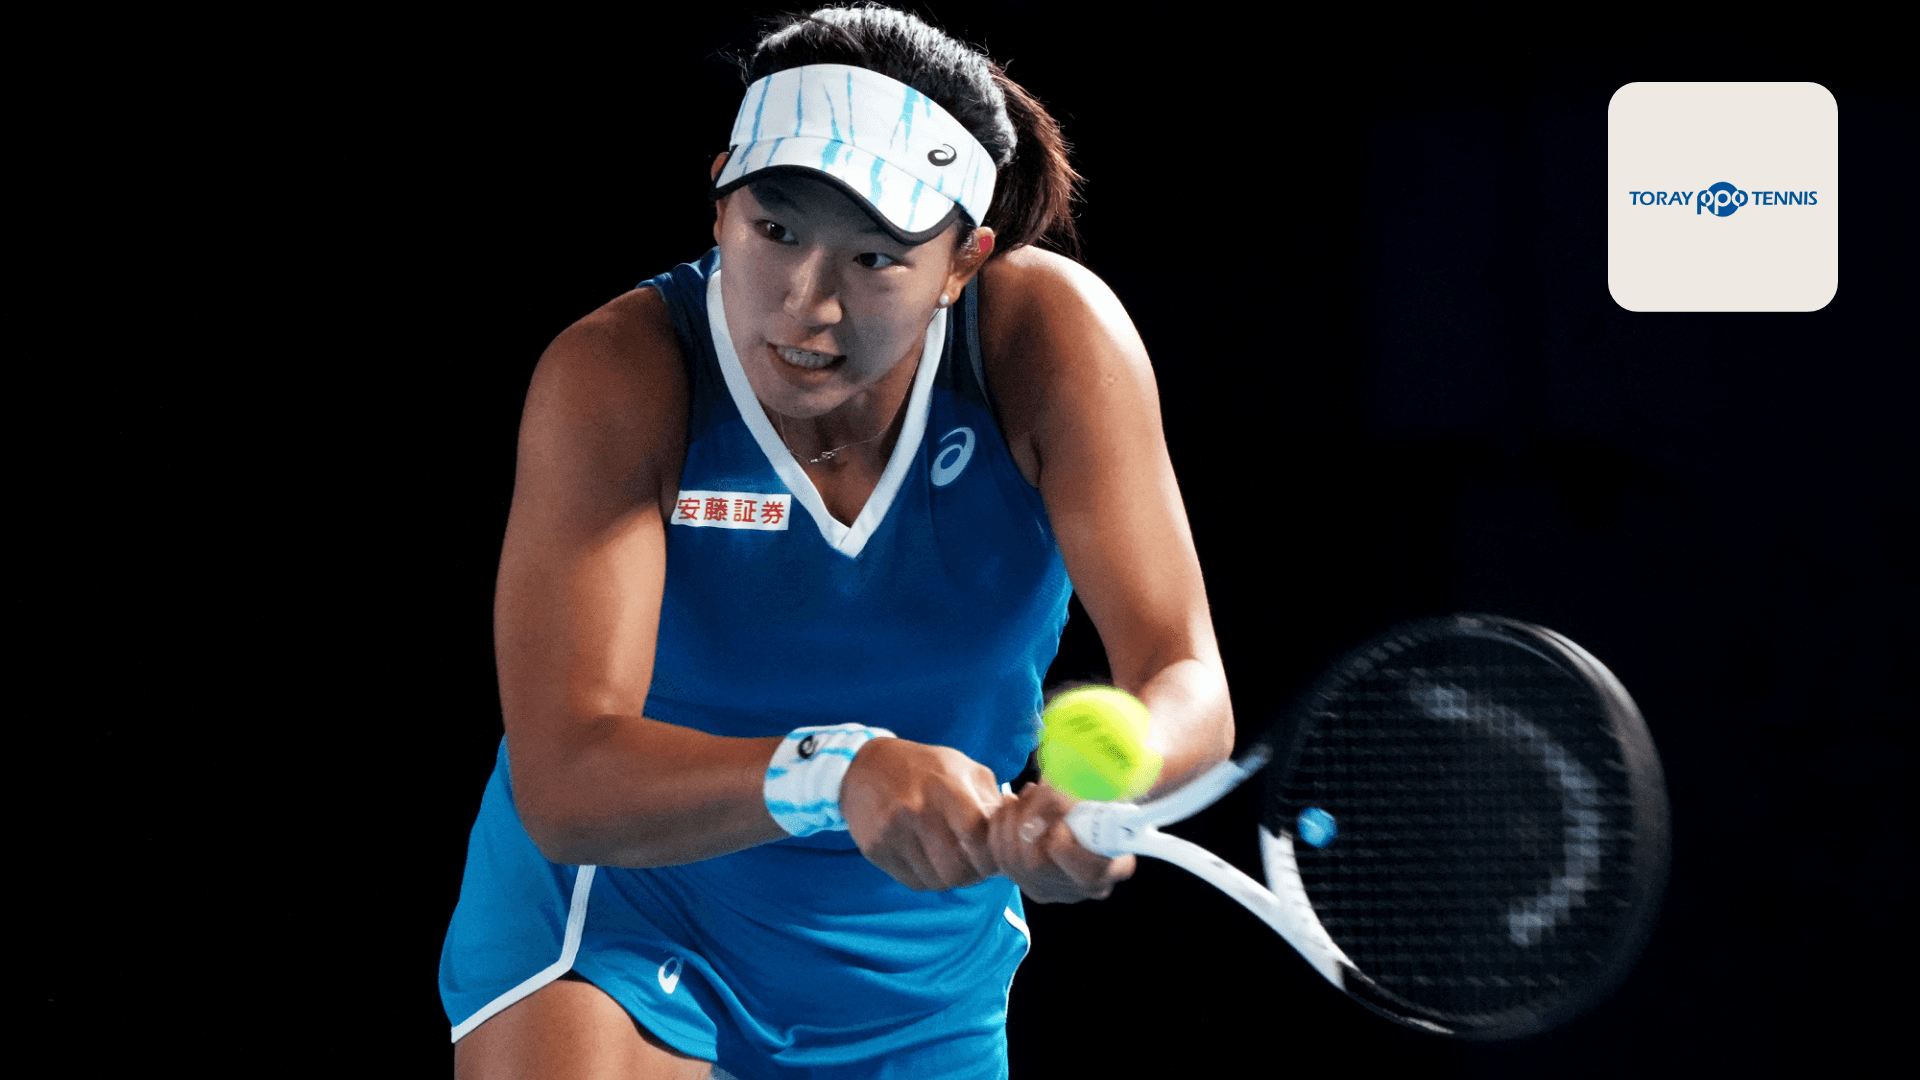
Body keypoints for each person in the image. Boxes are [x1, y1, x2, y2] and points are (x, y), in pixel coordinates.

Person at [440, 6, 1233, 1078]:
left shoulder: (1048, 343)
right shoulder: (619, 373)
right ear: (721, 197)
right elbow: (568, 780)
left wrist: (1108, 787)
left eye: (874, 256)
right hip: (636, 911)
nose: (807, 306)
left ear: (962, 262)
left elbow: (1186, 678)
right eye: (775, 231)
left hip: (915, 963)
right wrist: (839, 769)